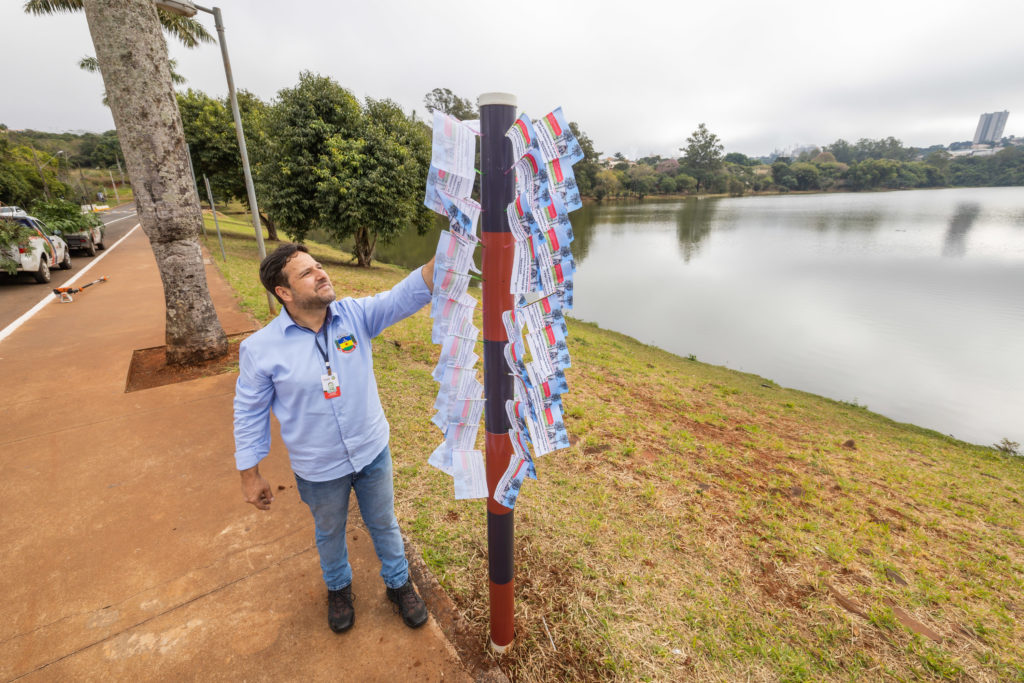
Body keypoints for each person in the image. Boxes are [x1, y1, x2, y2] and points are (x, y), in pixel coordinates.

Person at [233, 242, 435, 634]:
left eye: (319, 265)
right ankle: (339, 588)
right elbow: (249, 412)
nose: (321, 273)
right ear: (284, 292)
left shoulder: (354, 315)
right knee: (329, 531)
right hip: (319, 467)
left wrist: (448, 247)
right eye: (307, 273)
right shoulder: (260, 350)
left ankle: (399, 584)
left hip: (371, 451)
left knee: (384, 522)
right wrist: (249, 474)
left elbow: (405, 294)